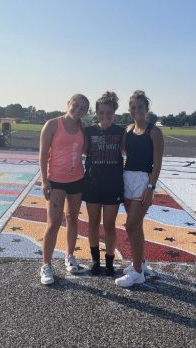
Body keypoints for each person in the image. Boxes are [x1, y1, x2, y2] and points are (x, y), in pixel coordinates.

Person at [39, 94, 90, 285]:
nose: (77, 111)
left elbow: (85, 150)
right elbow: (43, 155)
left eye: (82, 109)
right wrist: (45, 181)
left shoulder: (82, 127)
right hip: (56, 180)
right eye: (75, 106)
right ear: (68, 104)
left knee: (72, 218)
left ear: (86, 112)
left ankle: (69, 256)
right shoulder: (52, 124)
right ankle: (46, 265)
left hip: (77, 178)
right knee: (53, 222)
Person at [115, 90, 164, 288]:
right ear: (130, 110)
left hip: (143, 181)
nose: (137, 111)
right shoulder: (127, 129)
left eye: (140, 107)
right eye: (133, 108)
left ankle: (137, 273)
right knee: (137, 227)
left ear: (146, 109)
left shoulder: (154, 132)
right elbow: (124, 153)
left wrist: (150, 187)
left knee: (130, 226)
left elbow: (157, 163)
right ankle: (140, 264)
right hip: (128, 178)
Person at [83, 91, 124, 276]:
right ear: (96, 112)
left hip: (113, 184)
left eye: (108, 112)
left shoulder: (121, 132)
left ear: (114, 112)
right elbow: (79, 150)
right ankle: (94, 261)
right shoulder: (89, 131)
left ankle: (109, 261)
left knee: (109, 225)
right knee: (92, 223)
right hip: (92, 182)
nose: (105, 116)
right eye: (101, 112)